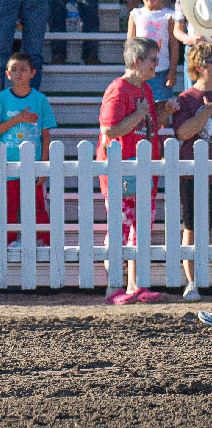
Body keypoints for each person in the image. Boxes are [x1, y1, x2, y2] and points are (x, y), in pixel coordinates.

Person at [97, 36, 168, 305]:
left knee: (140, 226)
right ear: (137, 61)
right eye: (152, 59)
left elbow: (147, 128)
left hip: (143, 167)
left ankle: (135, 284)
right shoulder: (118, 88)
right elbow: (110, 129)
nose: (156, 65)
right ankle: (113, 287)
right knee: (120, 227)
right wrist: (139, 115)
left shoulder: (145, 90)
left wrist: (162, 115)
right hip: (121, 169)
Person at [0, 52, 57, 246]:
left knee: (36, 204)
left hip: (33, 164)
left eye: (23, 70)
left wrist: (44, 165)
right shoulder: (2, 99)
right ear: (7, 74)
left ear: (33, 73)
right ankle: (10, 240)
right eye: (14, 70)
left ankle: (43, 239)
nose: (19, 74)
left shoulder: (40, 99)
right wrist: (17, 119)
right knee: (10, 204)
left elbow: (45, 135)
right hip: (8, 164)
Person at [171, 41, 212, 300]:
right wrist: (206, 112)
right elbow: (183, 133)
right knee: (193, 228)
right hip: (192, 173)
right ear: (200, 66)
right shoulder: (186, 99)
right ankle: (192, 282)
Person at [128, 0, 178, 108]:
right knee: (140, 106)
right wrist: (130, 69)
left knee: (161, 106)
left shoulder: (168, 15)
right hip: (140, 71)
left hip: (161, 70)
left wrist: (172, 71)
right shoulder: (135, 14)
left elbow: (174, 45)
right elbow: (130, 45)